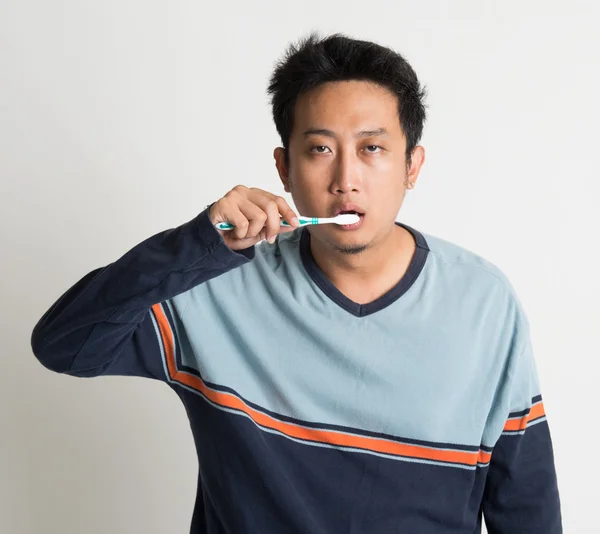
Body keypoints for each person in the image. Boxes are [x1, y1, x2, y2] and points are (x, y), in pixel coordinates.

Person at [31, 32, 562, 533]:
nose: (345, 179)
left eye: (372, 148)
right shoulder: (210, 286)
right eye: (320, 149)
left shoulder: (484, 303)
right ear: (284, 169)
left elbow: (525, 504)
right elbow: (64, 346)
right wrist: (196, 243)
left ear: (412, 166)